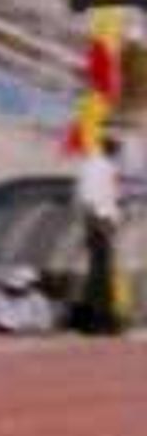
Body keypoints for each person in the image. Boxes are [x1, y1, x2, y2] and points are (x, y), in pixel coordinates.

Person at [76, 137, 123, 335]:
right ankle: (100, 320)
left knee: (99, 272)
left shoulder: (94, 165)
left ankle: (99, 320)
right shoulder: (101, 167)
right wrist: (101, 224)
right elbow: (94, 198)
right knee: (100, 273)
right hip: (99, 221)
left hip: (97, 221)